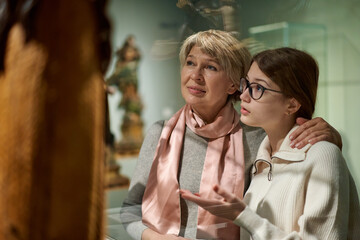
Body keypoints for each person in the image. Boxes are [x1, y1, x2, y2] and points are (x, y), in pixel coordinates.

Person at [119, 31, 343, 240]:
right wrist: (154, 237)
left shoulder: (258, 139)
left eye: (211, 67)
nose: (195, 75)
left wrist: (331, 139)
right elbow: (130, 208)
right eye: (190, 63)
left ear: (234, 84)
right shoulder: (160, 132)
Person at [180, 47, 360, 239]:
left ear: (292, 104)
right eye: (246, 84)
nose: (244, 96)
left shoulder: (323, 155)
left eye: (258, 88)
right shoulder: (262, 159)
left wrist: (243, 215)